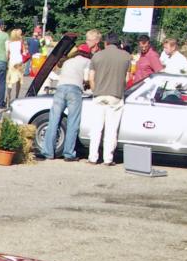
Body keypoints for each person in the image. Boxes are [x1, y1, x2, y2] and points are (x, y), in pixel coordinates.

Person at [86, 32, 131, 165]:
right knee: (111, 129)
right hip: (115, 95)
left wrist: (95, 90)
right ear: (118, 44)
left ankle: (92, 157)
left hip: (99, 95)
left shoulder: (97, 56)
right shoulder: (126, 57)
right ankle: (108, 159)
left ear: (105, 43)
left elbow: (91, 77)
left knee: (96, 128)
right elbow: (127, 78)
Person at [43, 44, 91, 162]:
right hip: (74, 90)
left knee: (54, 120)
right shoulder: (88, 61)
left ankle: (48, 152)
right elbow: (86, 78)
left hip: (60, 88)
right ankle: (69, 153)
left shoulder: (68, 61)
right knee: (73, 122)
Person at [5, 27, 26, 106]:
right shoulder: (20, 42)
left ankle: (8, 96)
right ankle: (16, 96)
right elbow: (24, 52)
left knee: (10, 80)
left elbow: (7, 53)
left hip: (12, 62)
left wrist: (7, 61)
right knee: (18, 80)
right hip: (19, 61)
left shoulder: (9, 43)